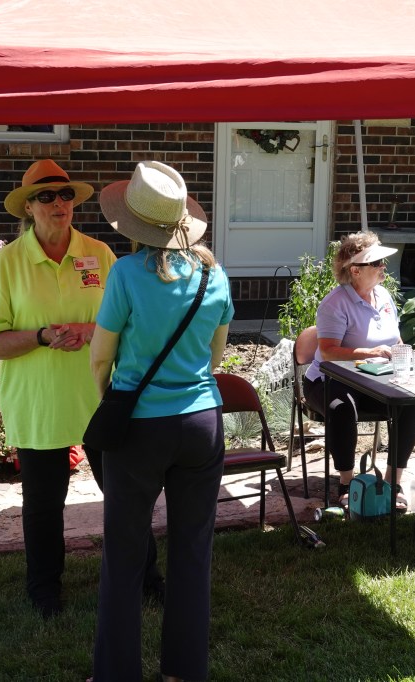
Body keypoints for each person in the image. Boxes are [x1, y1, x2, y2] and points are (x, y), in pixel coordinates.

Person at [90, 161, 232, 682]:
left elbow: (100, 358)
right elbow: (214, 358)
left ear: (132, 222)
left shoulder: (126, 274)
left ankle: (116, 673)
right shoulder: (215, 275)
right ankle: (184, 670)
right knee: (193, 551)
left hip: (140, 426)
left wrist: (113, 400)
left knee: (124, 553)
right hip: (201, 422)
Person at [0, 159, 133, 619]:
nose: (58, 203)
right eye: (46, 196)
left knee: (125, 496)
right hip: (39, 402)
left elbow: (126, 323)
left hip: (99, 397)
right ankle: (44, 591)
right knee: (44, 506)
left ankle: (143, 577)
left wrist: (90, 330)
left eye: (65, 195)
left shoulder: (99, 254)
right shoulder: (8, 263)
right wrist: (42, 336)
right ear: (28, 207)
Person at [302, 231, 415, 510]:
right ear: (355, 270)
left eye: (382, 261)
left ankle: (392, 483)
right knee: (342, 408)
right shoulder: (334, 304)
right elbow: (329, 352)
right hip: (328, 379)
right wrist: (371, 352)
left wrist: (405, 357)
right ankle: (347, 483)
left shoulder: (383, 296)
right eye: (376, 263)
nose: (383, 266)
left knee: (412, 405)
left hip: (374, 380)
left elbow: (395, 340)